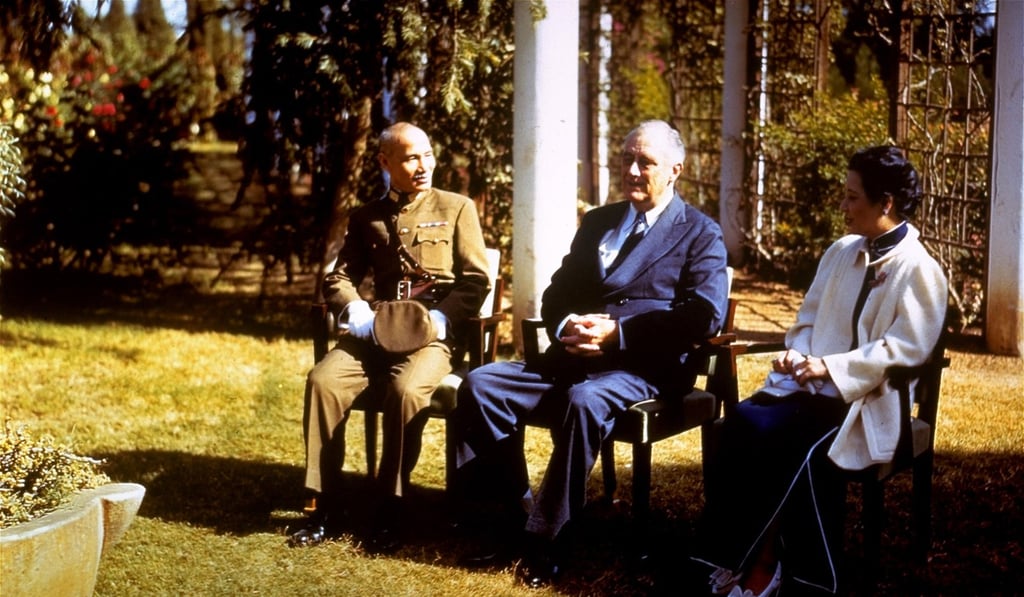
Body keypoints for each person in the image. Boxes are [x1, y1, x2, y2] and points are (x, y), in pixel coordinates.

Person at [451, 120, 730, 588]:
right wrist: (566, 325)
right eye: (627, 158)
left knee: (586, 402)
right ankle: (507, 513)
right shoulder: (600, 221)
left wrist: (618, 334)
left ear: (675, 170)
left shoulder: (699, 232)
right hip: (575, 359)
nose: (633, 170)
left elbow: (704, 314)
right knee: (481, 385)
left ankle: (548, 537)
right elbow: (556, 294)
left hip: (645, 368)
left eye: (646, 162)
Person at [691, 146, 948, 596]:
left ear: (884, 202)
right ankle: (725, 557)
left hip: (867, 404)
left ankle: (777, 570)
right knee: (742, 423)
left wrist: (829, 367)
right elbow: (807, 320)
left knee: (799, 449)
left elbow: (906, 351)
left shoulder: (920, 270)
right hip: (808, 391)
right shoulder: (840, 252)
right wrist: (799, 355)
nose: (843, 206)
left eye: (852, 197)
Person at [287, 122, 490, 552]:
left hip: (431, 336)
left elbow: (476, 280)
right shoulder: (367, 217)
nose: (423, 166)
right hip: (376, 330)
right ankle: (321, 505)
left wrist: (440, 320)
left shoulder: (457, 208)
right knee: (322, 381)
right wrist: (355, 310)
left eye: (428, 155)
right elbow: (339, 278)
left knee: (404, 391)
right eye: (411, 158)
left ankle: (389, 506)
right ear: (385, 162)